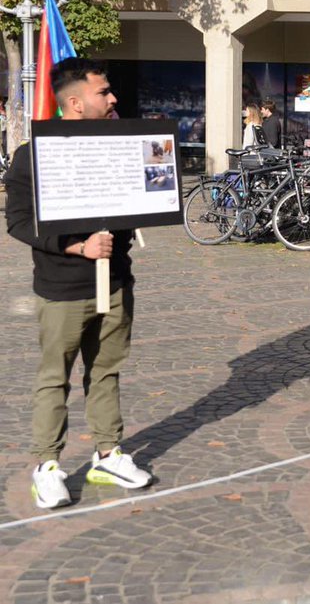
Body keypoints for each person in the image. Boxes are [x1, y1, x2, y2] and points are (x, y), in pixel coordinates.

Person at [5, 58, 151, 509]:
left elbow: (140, 199)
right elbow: (18, 221)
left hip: (115, 282)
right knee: (55, 377)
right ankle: (47, 465)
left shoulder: (124, 144)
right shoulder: (33, 155)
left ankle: (108, 453)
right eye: (103, 92)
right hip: (62, 288)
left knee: (106, 371)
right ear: (74, 102)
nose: (113, 99)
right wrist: (75, 247)